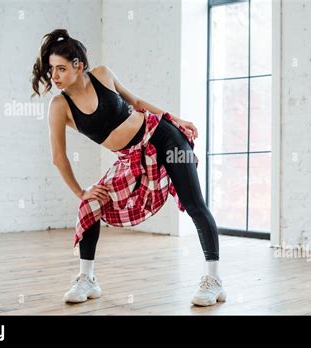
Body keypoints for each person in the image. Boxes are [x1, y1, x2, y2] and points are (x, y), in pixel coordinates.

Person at [31, 29, 226, 307]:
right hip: (133, 158)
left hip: (163, 136)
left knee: (194, 204)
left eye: (61, 68)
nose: (55, 76)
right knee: (90, 206)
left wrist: (177, 120)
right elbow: (58, 157)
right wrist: (81, 191)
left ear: (79, 66)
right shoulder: (60, 106)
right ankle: (87, 279)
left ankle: (214, 281)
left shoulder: (102, 74)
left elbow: (137, 103)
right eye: (52, 70)